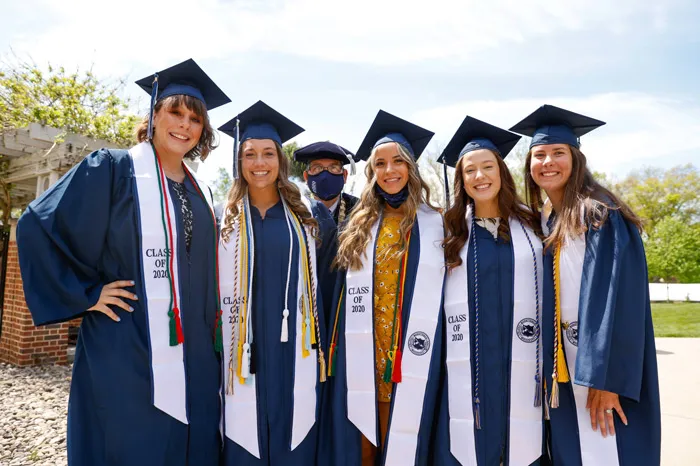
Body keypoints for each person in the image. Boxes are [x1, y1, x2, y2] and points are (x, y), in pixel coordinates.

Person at [16, 59, 231, 465]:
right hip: (127, 344)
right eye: (175, 112)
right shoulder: (113, 169)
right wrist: (86, 295)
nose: (184, 125)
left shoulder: (202, 190)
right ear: (153, 115)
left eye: (194, 118)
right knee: (133, 442)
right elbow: (37, 225)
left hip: (197, 351)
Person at [510, 104, 661, 466]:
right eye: (539, 155)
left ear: (576, 159)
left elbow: (620, 302)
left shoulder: (599, 215)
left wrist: (607, 381)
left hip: (602, 373)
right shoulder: (547, 218)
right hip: (564, 370)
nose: (548, 162)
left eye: (558, 153)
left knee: (610, 450)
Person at [216, 100, 337, 465]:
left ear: (281, 161)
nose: (259, 163)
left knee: (295, 432)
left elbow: (330, 292)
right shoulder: (223, 220)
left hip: (295, 350)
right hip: (241, 349)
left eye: (268, 153)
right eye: (249, 154)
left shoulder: (310, 218)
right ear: (238, 162)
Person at [326, 110, 445, 466]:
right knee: (364, 446)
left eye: (398, 162)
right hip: (365, 353)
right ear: (372, 171)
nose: (389, 170)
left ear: (411, 167)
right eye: (380, 163)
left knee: (406, 442)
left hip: (414, 354)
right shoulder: (358, 224)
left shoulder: (435, 221)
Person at [434, 116, 547, 465]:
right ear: (461, 179)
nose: (480, 176)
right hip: (468, 363)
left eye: (487, 167)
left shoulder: (534, 226)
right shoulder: (451, 231)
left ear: (502, 172)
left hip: (524, 358)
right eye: (470, 170)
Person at [294, 141, 360, 229]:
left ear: (344, 176)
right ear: (306, 177)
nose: (325, 176)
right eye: (317, 168)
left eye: (333, 168)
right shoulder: (296, 210)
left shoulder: (360, 210)